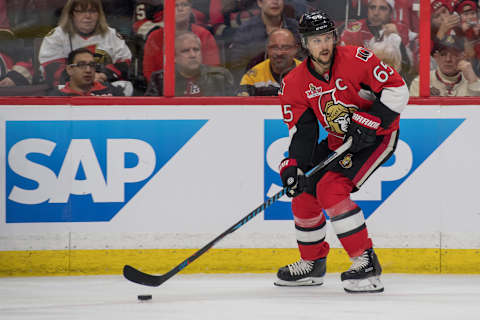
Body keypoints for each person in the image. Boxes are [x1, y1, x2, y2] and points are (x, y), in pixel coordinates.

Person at [276, 10, 409, 293]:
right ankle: (312, 264)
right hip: (341, 142)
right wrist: (294, 164)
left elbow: (397, 90)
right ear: (305, 44)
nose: (323, 45)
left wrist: (373, 121)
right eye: (315, 40)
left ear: (334, 38)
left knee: (331, 190)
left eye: (326, 38)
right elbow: (304, 132)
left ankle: (366, 263)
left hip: (378, 138)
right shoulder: (294, 83)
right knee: (304, 189)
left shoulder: (357, 59)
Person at [38, 0, 132, 88]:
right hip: (69, 88)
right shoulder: (57, 36)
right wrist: (86, 78)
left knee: (127, 86)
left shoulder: (111, 34)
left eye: (93, 11)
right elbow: (52, 69)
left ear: (99, 14)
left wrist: (103, 74)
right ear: (71, 14)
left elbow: (125, 63)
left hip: (104, 85)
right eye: (81, 11)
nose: (88, 16)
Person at [142, 0, 220, 82]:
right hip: (164, 89)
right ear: (166, 9)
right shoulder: (155, 37)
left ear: (190, 9)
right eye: (175, 5)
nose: (180, 9)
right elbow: (149, 71)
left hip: (200, 88)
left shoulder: (204, 35)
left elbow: (213, 69)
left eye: (184, 5)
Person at [227, 0, 301, 83]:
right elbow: (237, 66)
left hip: (294, 83)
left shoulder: (296, 28)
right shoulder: (246, 30)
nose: (275, 2)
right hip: (255, 86)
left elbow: (305, 60)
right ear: (260, 2)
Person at [340, 0, 413, 81]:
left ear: (391, 13)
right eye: (372, 7)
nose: (376, 13)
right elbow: (344, 64)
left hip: (391, 82)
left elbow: (407, 68)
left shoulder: (401, 30)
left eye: (382, 8)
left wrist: (398, 40)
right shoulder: (355, 29)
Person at [145, 31, 234, 96]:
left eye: (196, 50)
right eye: (185, 51)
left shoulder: (220, 76)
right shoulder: (160, 79)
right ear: (174, 57)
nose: (192, 55)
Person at [237, 28, 300, 96]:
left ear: (295, 49)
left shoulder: (308, 72)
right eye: (274, 47)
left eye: (285, 48)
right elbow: (242, 104)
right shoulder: (253, 76)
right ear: (267, 49)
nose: (279, 53)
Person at [409, 38, 480, 96]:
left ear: (463, 57)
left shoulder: (472, 81)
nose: (448, 59)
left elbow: (476, 110)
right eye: (443, 54)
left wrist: (473, 81)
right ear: (436, 57)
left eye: (454, 54)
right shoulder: (421, 82)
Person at [49, 48, 124, 96]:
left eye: (92, 65)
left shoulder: (111, 90)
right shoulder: (58, 96)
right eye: (81, 65)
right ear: (70, 69)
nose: (88, 70)